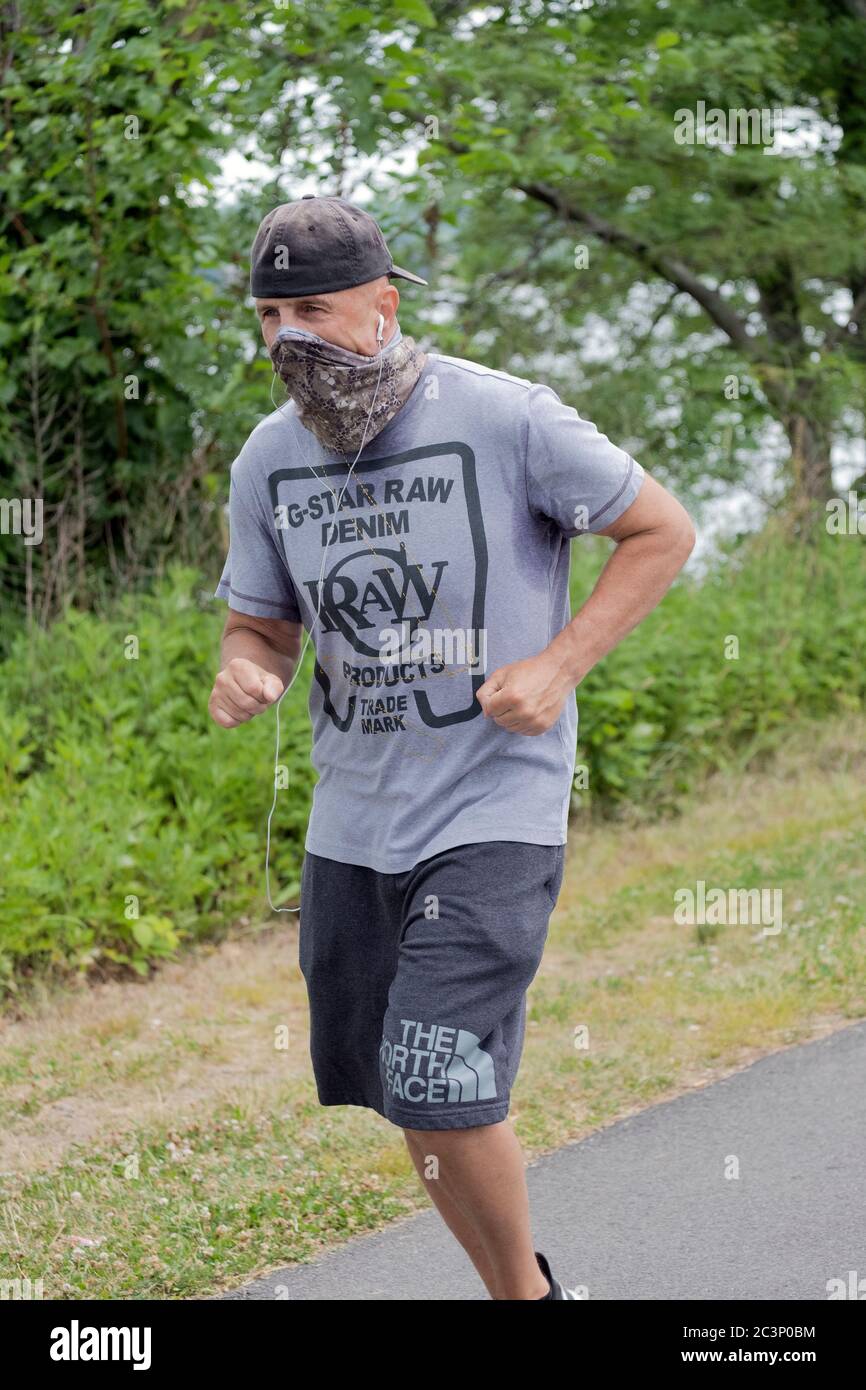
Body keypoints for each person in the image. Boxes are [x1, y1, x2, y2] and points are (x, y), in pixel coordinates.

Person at [209, 194, 695, 1301]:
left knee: (435, 1071)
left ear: (380, 309)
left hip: (493, 807)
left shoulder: (501, 416)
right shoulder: (266, 460)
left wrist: (558, 664)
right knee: (405, 1087)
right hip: (354, 820)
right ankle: (521, 1289)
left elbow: (659, 529)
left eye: (313, 309)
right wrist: (248, 671)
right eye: (269, 312)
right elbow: (261, 625)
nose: (288, 335)